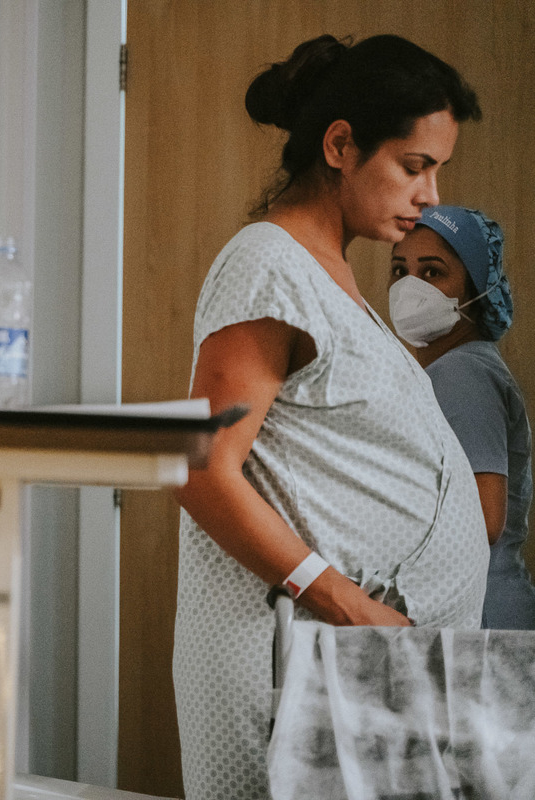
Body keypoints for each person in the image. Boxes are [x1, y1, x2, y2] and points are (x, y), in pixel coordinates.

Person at [172, 35, 489, 799]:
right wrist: (340, 599)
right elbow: (197, 464)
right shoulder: (268, 263)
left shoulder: (331, 271)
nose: (431, 194)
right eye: (414, 167)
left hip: (355, 657)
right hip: (296, 651)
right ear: (341, 144)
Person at [389, 204, 535, 629]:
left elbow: (485, 520)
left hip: (483, 616)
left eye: (432, 272)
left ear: (476, 288)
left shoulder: (461, 372)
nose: (410, 287)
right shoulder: (457, 367)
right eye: (400, 271)